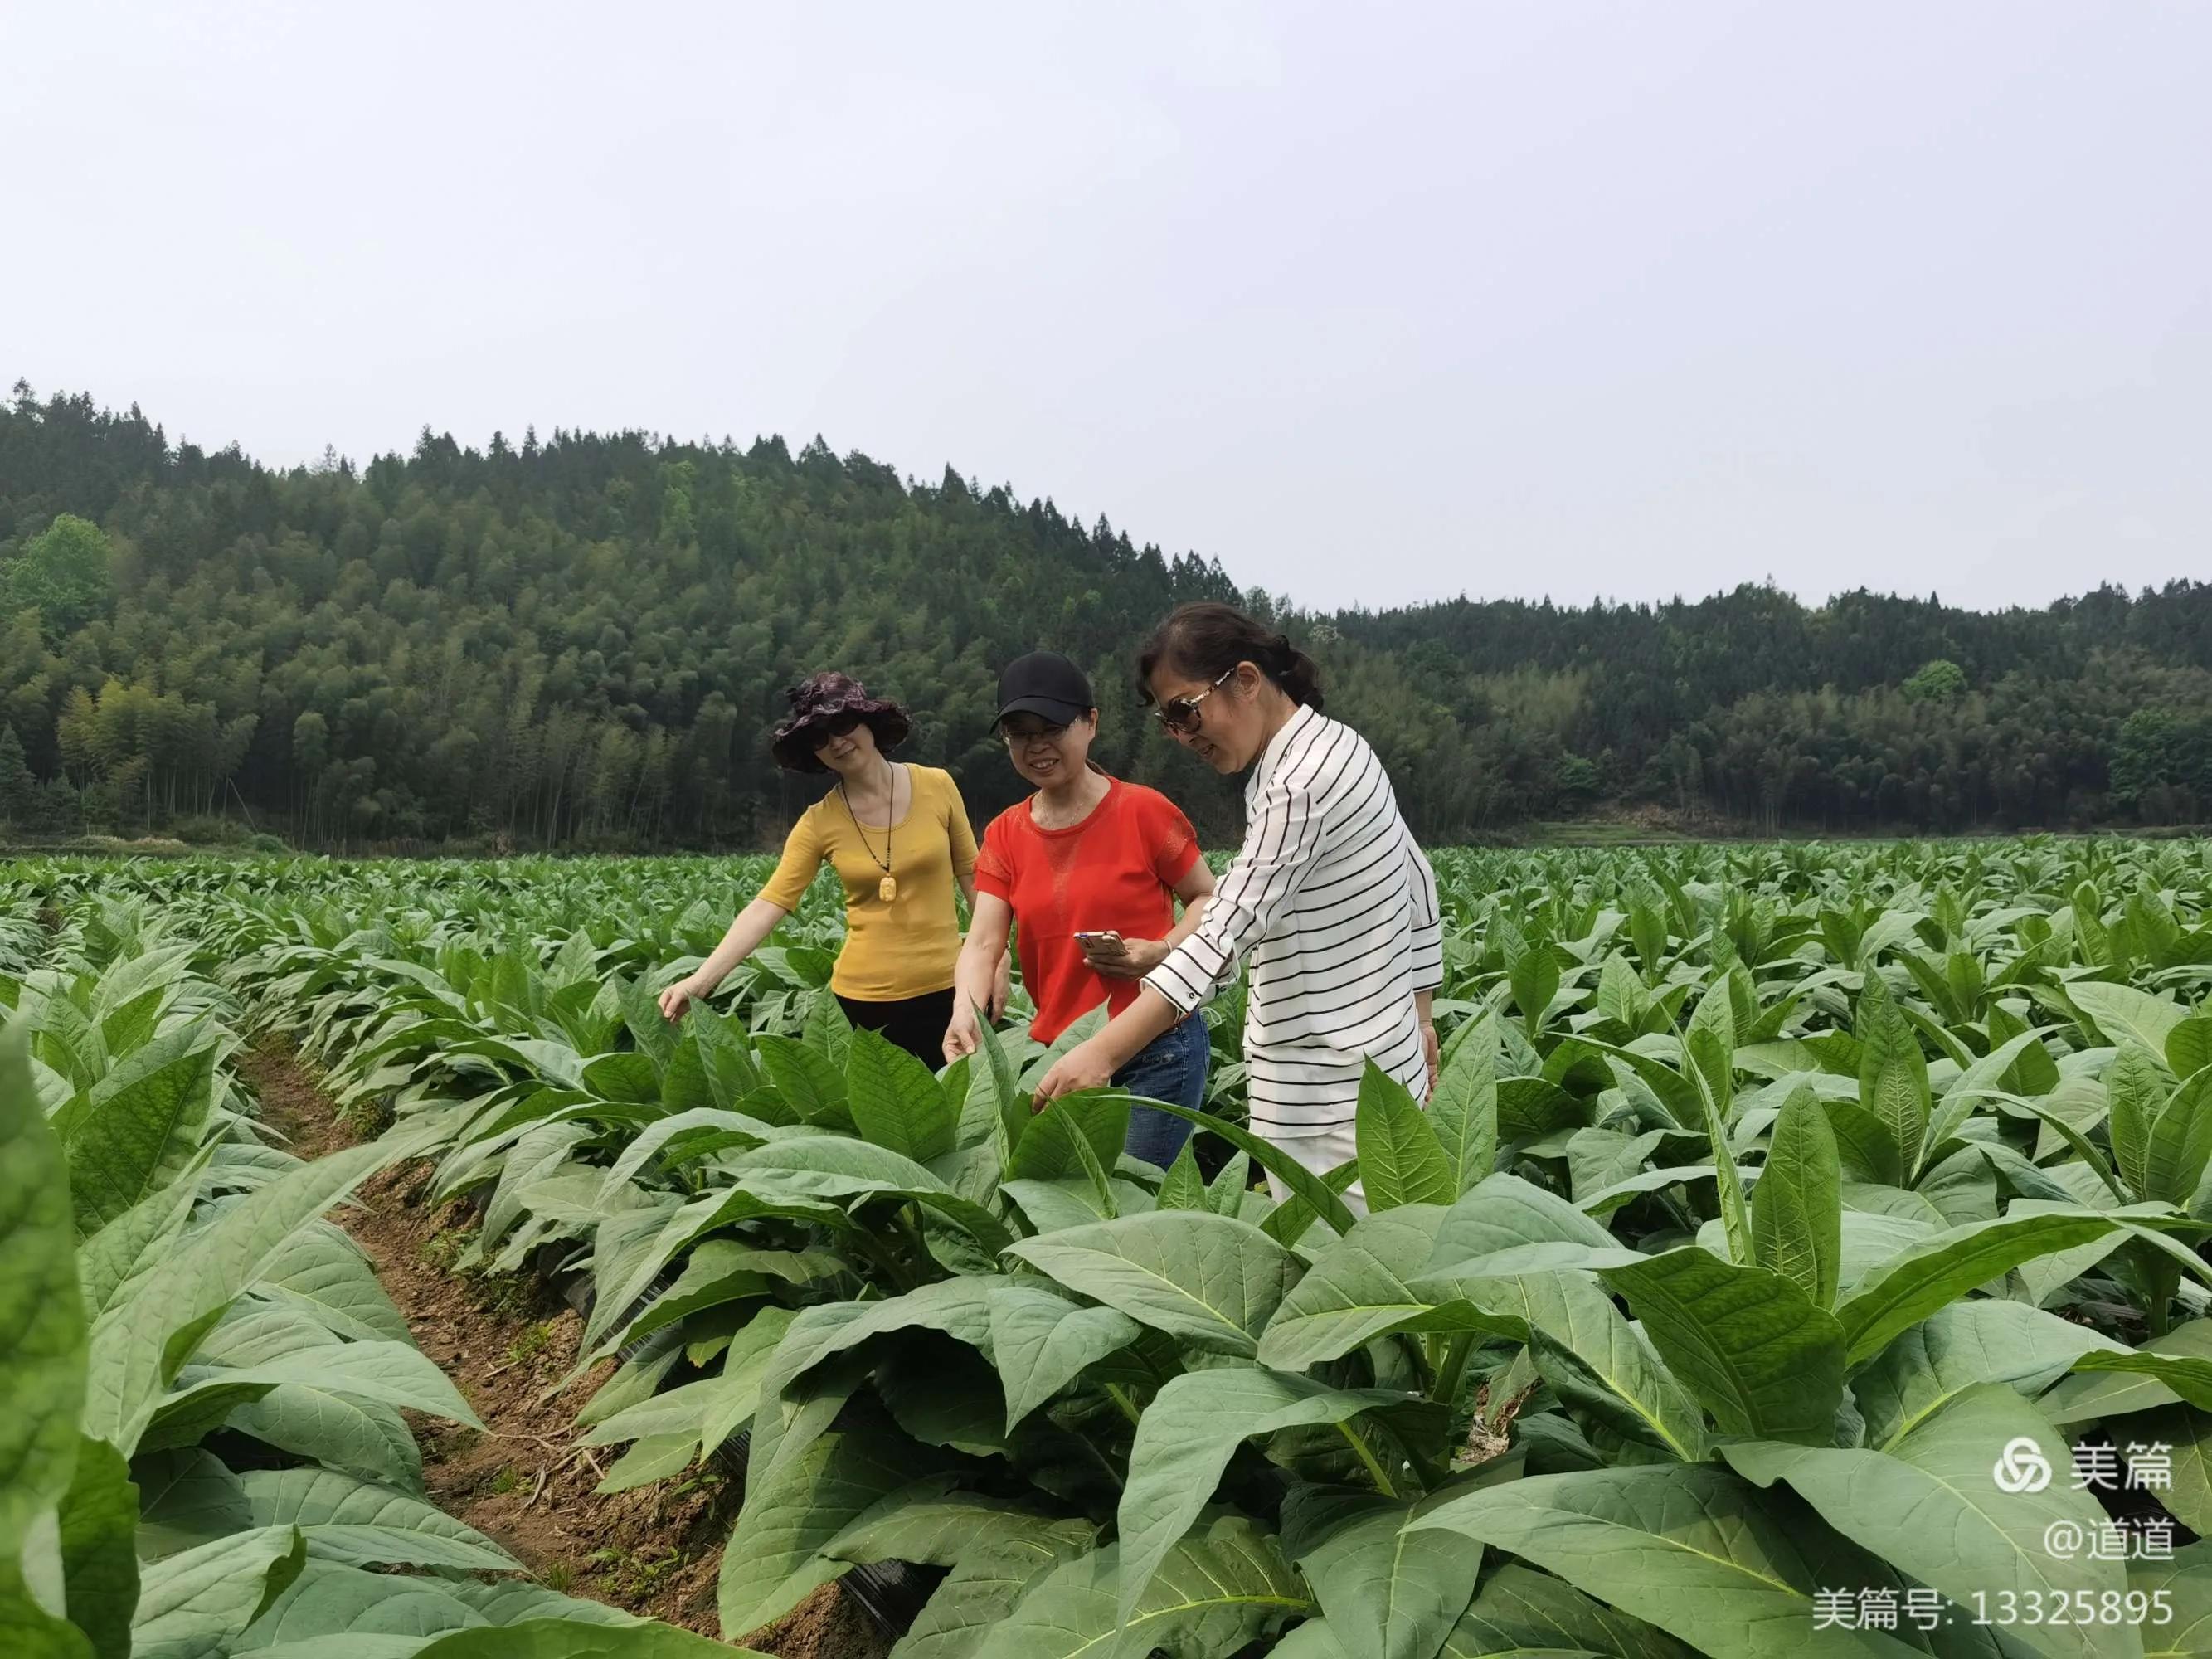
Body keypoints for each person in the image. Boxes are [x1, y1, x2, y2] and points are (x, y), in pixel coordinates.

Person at [1032, 605, 1442, 1210]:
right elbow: (1420, 882)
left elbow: (1223, 936)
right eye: (1165, 720)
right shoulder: (1340, 746)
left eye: (1183, 710)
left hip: (1327, 1103)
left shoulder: (1299, 784)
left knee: (1355, 1286)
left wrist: (1100, 1053)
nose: (1180, 734)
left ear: (1245, 680)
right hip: (1384, 1071)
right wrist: (1423, 1015)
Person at [943, 651, 1218, 1167]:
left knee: (1136, 1207)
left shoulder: (1144, 811)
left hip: (1158, 1047)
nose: (1036, 746)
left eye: (1051, 727)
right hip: (1058, 1051)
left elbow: (1208, 898)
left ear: (1090, 723)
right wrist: (965, 1008)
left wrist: (1161, 951)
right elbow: (982, 942)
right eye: (1019, 733)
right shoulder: (1005, 833)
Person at [659, 672, 1007, 1063]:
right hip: (864, 1004)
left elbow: (975, 877)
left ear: (867, 722)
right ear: (815, 753)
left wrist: (998, 958)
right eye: (820, 737)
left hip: (953, 991)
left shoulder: (937, 786)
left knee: (965, 1112)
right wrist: (701, 981)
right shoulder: (818, 822)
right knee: (892, 1118)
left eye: (842, 724)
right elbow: (769, 905)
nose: (837, 742)